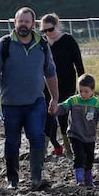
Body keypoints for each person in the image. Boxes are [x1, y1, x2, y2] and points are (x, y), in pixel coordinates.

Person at [0, 7, 59, 191]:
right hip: (11, 104)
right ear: (15, 23)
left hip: (35, 102)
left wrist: (55, 98)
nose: (23, 25)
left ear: (33, 24)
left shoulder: (42, 45)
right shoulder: (3, 45)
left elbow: (50, 72)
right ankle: (12, 180)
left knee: (37, 137)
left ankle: (36, 178)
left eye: (27, 22)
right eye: (20, 21)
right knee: (12, 141)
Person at [54, 73, 99, 186]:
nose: (82, 94)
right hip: (75, 134)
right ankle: (80, 180)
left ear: (93, 91)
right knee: (79, 156)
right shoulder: (74, 100)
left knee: (89, 158)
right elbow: (63, 108)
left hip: (90, 136)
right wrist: (55, 109)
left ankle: (89, 179)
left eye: (86, 91)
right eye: (80, 91)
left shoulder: (96, 103)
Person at [40, 13, 85, 157]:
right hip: (46, 85)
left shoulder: (68, 41)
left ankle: (69, 148)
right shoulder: (42, 43)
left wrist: (82, 87)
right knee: (47, 116)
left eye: (50, 29)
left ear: (57, 26)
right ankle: (44, 149)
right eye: (44, 31)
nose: (47, 33)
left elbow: (79, 64)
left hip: (67, 84)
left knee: (64, 116)